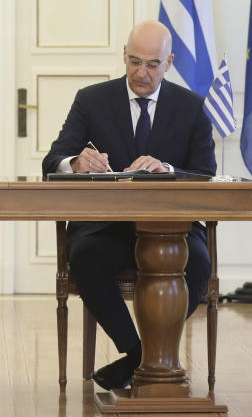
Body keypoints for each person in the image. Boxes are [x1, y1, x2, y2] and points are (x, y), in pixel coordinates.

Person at [42, 19, 215, 390]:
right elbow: (52, 160)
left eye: (152, 65)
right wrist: (73, 163)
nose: (142, 73)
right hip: (106, 227)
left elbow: (205, 176)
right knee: (85, 256)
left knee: (199, 263)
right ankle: (142, 356)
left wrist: (167, 169)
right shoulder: (92, 100)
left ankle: (147, 356)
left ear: (168, 62)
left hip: (172, 230)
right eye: (135, 61)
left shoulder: (191, 107)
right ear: (124, 55)